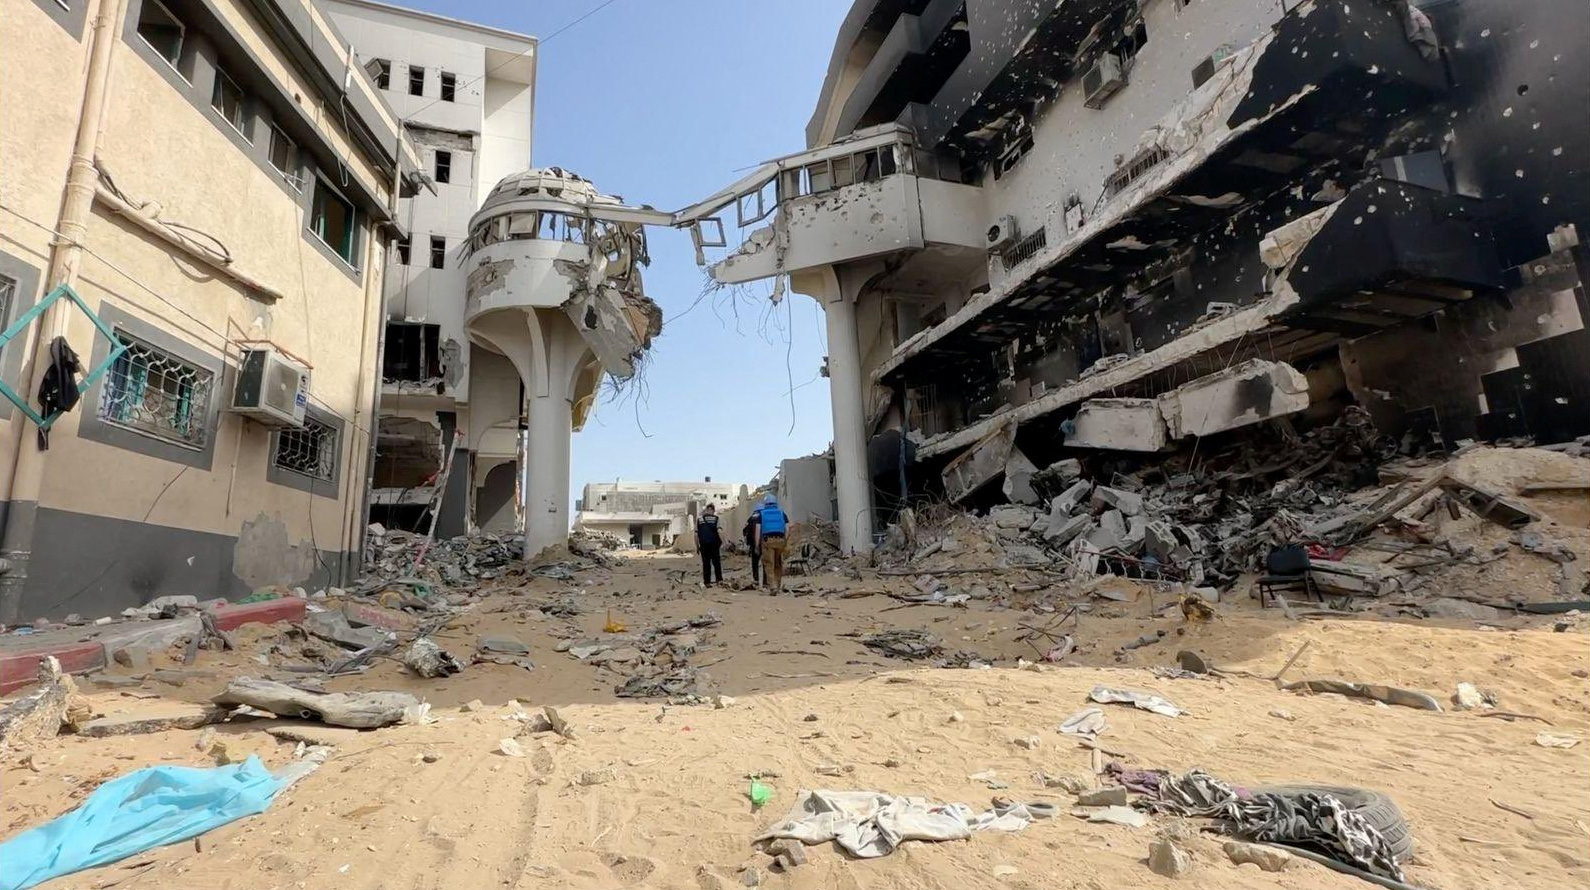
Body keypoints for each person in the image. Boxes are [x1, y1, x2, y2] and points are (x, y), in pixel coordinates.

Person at [754, 495, 789, 592]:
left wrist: (757, 545)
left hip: (767, 541)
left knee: (769, 563)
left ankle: (772, 586)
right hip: (780, 540)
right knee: (778, 564)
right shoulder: (782, 513)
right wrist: (785, 541)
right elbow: (787, 528)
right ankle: (777, 585)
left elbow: (758, 531)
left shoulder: (762, 514)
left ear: (766, 504)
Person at [696, 503, 724, 587]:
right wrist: (724, 542)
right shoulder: (716, 519)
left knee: (706, 563)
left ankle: (707, 582)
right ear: (713, 511)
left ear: (706, 510)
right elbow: (719, 531)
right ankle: (719, 580)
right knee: (716, 563)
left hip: (704, 545)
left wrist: (697, 547)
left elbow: (695, 535)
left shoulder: (699, 520)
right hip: (714, 544)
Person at [743, 507, 762, 586]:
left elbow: (744, 531)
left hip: (753, 544)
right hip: (764, 542)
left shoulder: (750, 518)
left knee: (754, 563)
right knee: (766, 563)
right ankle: (766, 582)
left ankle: (756, 580)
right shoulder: (763, 516)